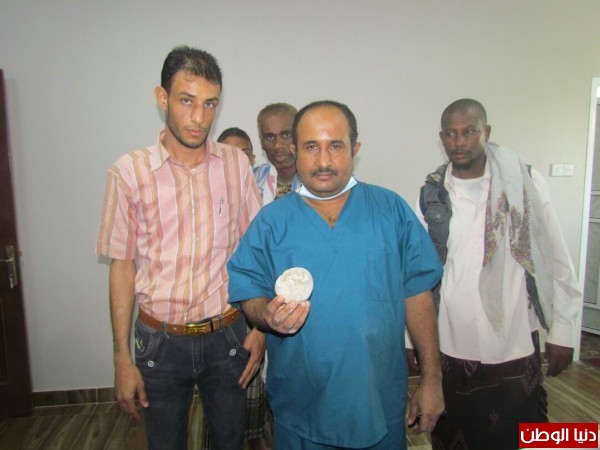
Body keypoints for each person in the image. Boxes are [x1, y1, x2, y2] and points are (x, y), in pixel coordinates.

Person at [227, 100, 445, 449]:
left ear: (355, 149)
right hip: (302, 412)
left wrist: (432, 378)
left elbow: (417, 293)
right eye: (311, 147)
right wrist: (265, 315)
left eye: (336, 146)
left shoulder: (390, 211)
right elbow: (248, 289)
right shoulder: (272, 222)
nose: (324, 160)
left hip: (379, 406)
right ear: (295, 150)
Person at [96, 46, 263, 450]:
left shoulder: (236, 165)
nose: (199, 117)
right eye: (187, 101)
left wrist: (261, 329)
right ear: (162, 98)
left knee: (230, 441)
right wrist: (121, 358)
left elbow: (256, 250)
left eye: (210, 104)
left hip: (227, 336)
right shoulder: (129, 172)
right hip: (159, 341)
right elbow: (122, 265)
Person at [411, 98, 583, 449]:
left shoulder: (525, 183)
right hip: (451, 344)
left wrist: (564, 330)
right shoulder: (430, 196)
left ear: (486, 132)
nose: (460, 142)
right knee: (453, 438)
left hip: (514, 343)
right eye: (451, 134)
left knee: (522, 437)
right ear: (441, 138)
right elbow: (417, 277)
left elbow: (555, 257)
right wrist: (410, 340)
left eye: (469, 131)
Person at [200, 127, 272, 450]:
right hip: (222, 309)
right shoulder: (205, 192)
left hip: (257, 302)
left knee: (253, 386)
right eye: (228, 152)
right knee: (225, 395)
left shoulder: (264, 189)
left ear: (252, 157)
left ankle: (257, 436)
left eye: (243, 152)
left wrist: (259, 325)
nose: (235, 158)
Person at [254, 103, 301, 202]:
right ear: (262, 142)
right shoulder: (251, 180)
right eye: (270, 137)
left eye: (286, 135)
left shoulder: (319, 179)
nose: (277, 145)